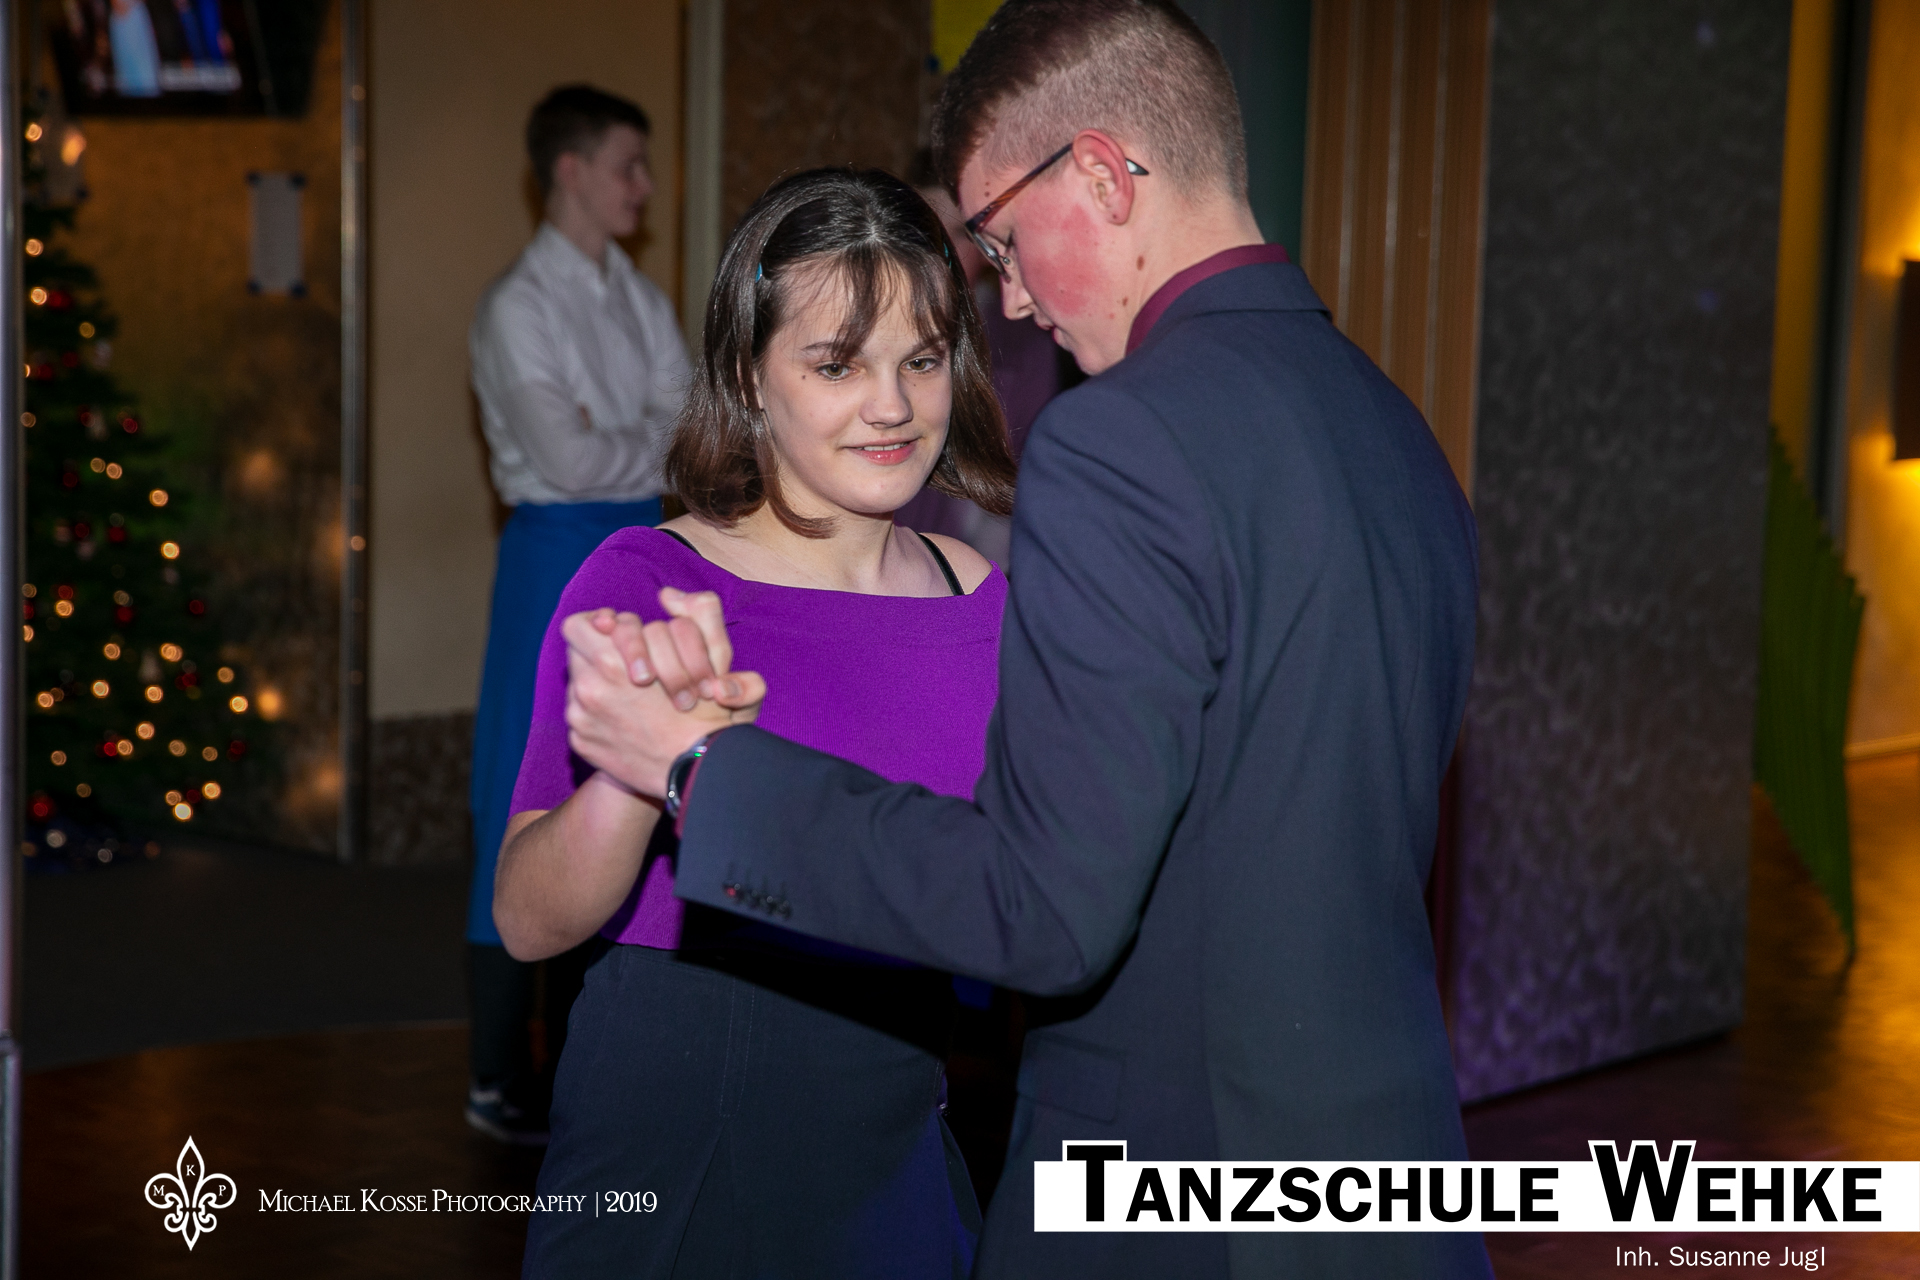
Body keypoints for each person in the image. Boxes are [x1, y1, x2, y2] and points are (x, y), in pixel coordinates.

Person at [557, 1, 1493, 1275]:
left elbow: (1044, 909)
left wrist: (703, 771)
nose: (1010, 297)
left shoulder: (1123, 440)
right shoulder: (1396, 430)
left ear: (1101, 176)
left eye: (999, 239)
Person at [494, 167, 1018, 1276]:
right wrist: (640, 774)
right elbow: (529, 920)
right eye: (837, 364)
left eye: (922, 359)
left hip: (894, 1109)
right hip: (686, 1112)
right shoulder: (649, 580)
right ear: (747, 373)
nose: (892, 405)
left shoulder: (977, 597)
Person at [461, 83, 688, 1144]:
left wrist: (623, 434)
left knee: (614, 787)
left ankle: (574, 1054)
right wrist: (639, 438)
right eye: (627, 166)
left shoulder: (635, 296)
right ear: (571, 171)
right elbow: (563, 458)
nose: (644, 186)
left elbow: (688, 426)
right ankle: (496, 1069)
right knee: (522, 779)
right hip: (551, 557)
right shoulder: (518, 306)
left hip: (634, 547)